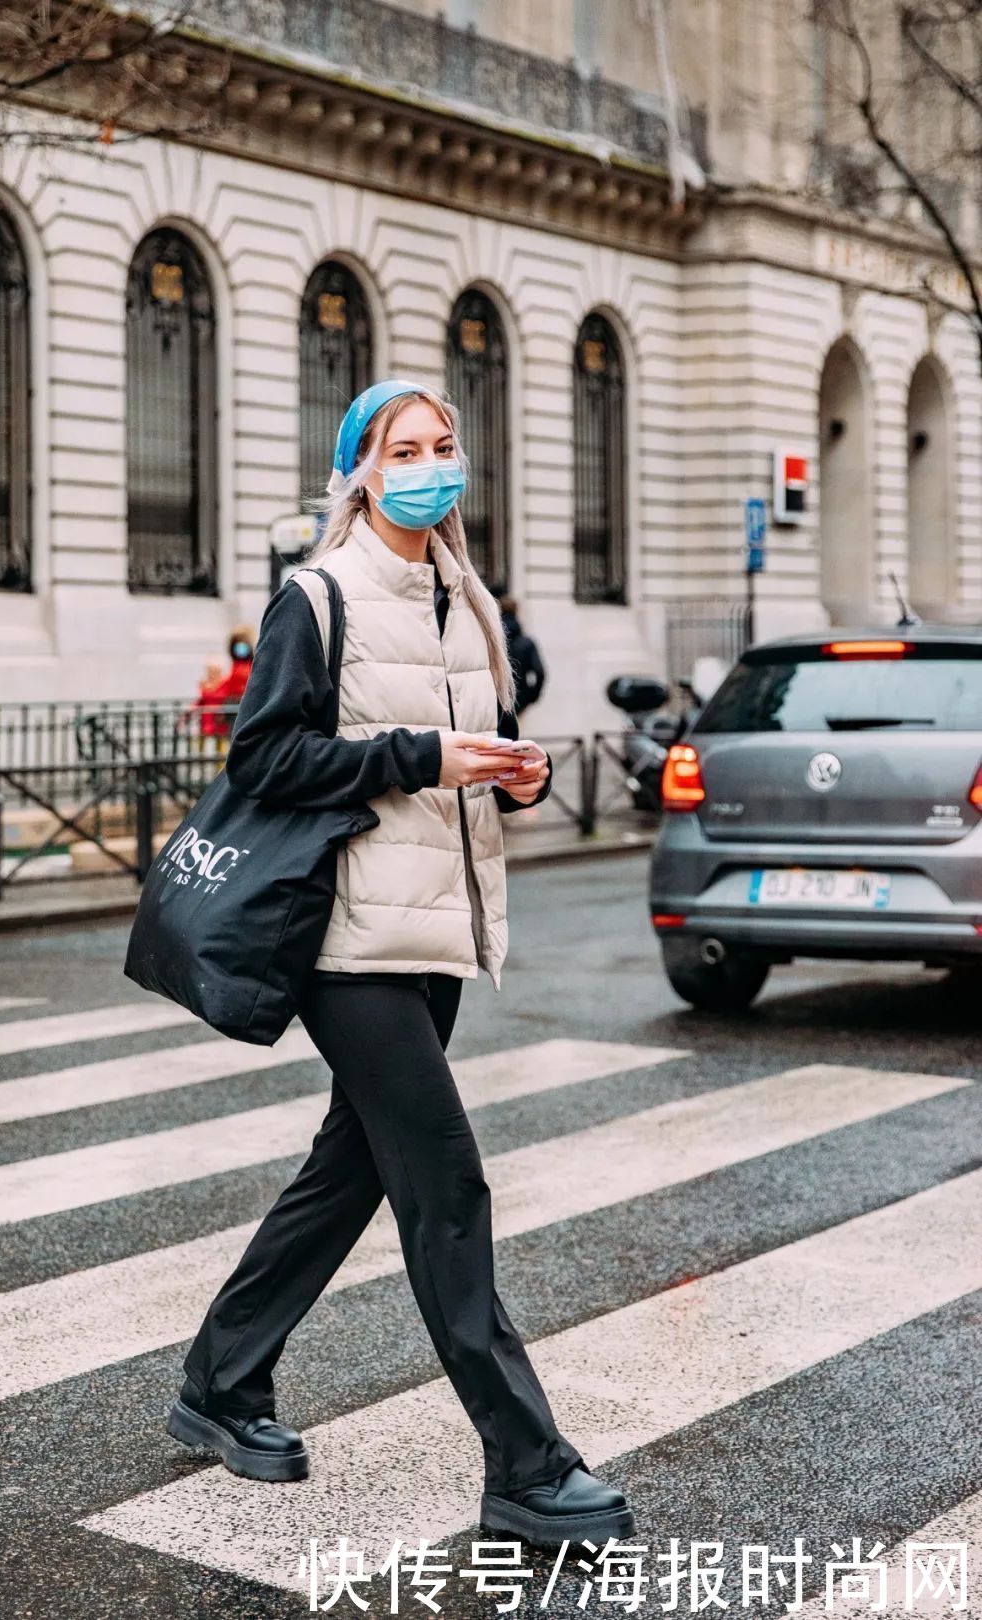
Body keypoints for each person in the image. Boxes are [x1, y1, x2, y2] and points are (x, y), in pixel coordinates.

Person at [165, 379, 635, 1548]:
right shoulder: (317, 598)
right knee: (445, 1180)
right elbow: (267, 757)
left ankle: (219, 1385)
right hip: (345, 937)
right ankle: (525, 1465)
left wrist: (510, 778)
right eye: (403, 448)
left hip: (432, 933)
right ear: (361, 470)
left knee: (354, 1172)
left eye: (445, 444)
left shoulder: (464, 598)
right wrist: (423, 753)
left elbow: (468, 767)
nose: (432, 464)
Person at [497, 594, 546, 715]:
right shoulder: (527, 643)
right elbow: (540, 673)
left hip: (496, 698)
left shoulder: (494, 642)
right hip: (519, 698)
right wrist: (531, 697)